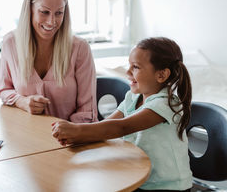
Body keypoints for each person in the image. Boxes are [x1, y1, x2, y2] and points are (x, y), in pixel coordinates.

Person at [52, 37, 193, 191]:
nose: (127, 72)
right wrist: (78, 136)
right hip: (139, 178)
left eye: (136, 67)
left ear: (161, 75)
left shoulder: (165, 104)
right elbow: (106, 126)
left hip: (168, 187)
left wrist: (77, 130)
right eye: (129, 65)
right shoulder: (133, 97)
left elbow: (121, 127)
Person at [0, 0, 98, 123]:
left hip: (72, 138)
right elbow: (4, 90)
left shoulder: (80, 48)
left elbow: (87, 110)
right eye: (44, 12)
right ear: (30, 9)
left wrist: (71, 134)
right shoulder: (10, 43)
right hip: (26, 135)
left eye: (59, 13)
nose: (52, 21)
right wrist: (22, 102)